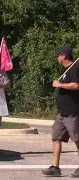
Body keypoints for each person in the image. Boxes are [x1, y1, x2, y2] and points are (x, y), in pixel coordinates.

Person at [42, 45, 79, 177]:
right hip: (62, 113)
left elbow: (76, 85)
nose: (57, 58)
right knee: (56, 137)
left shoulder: (75, 68)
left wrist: (60, 84)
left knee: (77, 139)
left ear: (63, 56)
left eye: (58, 55)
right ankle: (55, 167)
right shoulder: (67, 70)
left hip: (72, 112)